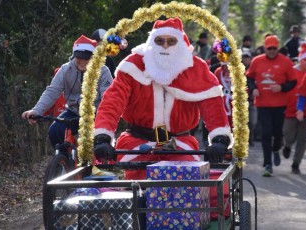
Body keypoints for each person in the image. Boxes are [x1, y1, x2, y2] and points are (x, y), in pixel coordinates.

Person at [93, 17, 233, 180]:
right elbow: (112, 101)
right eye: (160, 41)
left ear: (180, 43)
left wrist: (219, 138)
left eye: (171, 41)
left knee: (186, 188)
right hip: (136, 145)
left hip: (180, 147)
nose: (165, 46)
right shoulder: (133, 65)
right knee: (126, 188)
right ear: (152, 42)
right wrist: (103, 136)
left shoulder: (195, 69)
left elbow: (213, 106)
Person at [22, 35, 113, 149]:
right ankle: (63, 161)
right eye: (79, 57)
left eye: (86, 58)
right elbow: (52, 91)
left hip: (97, 113)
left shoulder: (103, 71)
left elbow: (108, 97)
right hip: (73, 112)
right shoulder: (65, 70)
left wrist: (105, 118)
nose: (82, 61)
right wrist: (36, 111)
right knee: (54, 131)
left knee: (100, 143)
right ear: (74, 56)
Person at [246, 35, 297, 177]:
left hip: (279, 104)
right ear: (265, 48)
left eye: (274, 48)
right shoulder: (257, 61)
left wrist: (281, 87)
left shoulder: (285, 62)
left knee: (278, 133)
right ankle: (268, 163)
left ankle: (276, 149)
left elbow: (293, 82)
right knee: (266, 133)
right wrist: (253, 88)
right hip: (262, 104)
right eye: (269, 49)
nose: (272, 51)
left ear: (278, 47)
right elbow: (249, 77)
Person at [283, 44, 306, 174]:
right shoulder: (292, 71)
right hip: (290, 109)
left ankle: (296, 163)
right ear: (300, 59)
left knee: (303, 139)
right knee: (289, 134)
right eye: (305, 59)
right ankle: (288, 145)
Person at [214, 62, 232, 128]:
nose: (227, 68)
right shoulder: (218, 72)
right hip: (222, 98)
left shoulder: (238, 71)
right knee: (223, 119)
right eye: (225, 66)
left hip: (234, 99)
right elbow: (215, 85)